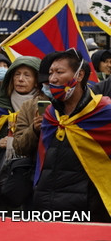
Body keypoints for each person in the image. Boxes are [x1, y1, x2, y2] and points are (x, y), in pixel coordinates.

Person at [32, 49, 111, 221]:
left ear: (79, 75)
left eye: (59, 72)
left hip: (87, 207)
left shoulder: (104, 113)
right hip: (46, 205)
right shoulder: (50, 115)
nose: (52, 79)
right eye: (51, 73)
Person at [0, 56, 41, 210]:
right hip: (3, 177)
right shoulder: (0, 108)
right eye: (17, 74)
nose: (21, 79)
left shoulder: (46, 106)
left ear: (37, 80)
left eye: (27, 75)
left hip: (34, 175)